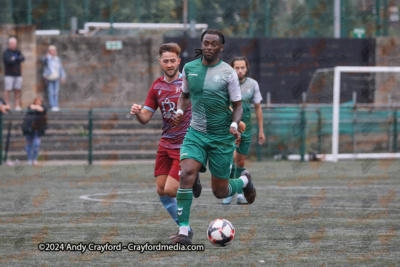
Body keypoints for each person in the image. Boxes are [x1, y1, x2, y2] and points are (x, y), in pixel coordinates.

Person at [170, 29, 256, 245]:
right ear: (202, 44)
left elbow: (237, 106)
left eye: (213, 44)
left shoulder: (228, 73)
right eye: (205, 43)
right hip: (196, 133)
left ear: (220, 47)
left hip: (221, 138)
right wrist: (180, 111)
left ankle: (244, 180)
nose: (209, 47)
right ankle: (183, 232)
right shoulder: (189, 69)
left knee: (220, 191)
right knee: (186, 173)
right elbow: (185, 96)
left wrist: (234, 125)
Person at [130, 43, 196, 240]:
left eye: (172, 60)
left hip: (184, 144)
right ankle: (185, 229)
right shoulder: (157, 86)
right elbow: (145, 118)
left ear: (179, 61)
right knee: (161, 190)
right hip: (165, 144)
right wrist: (136, 112)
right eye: (165, 61)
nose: (169, 64)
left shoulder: (188, 83)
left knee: (170, 188)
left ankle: (194, 175)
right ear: (160, 63)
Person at [223, 56, 265, 205]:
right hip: (231, 128)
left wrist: (261, 130)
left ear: (246, 68)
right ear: (232, 69)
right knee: (232, 158)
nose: (240, 71)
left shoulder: (253, 84)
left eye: (242, 67)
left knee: (241, 161)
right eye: (237, 68)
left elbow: (258, 108)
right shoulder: (227, 83)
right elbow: (224, 104)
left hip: (246, 129)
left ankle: (240, 193)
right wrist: (235, 121)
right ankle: (229, 191)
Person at [22, 96, 47, 166]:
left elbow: (41, 109)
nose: (38, 102)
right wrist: (35, 107)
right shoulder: (30, 106)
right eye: (37, 100)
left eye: (40, 101)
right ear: (34, 101)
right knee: (28, 144)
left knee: (36, 144)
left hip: (38, 130)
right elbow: (31, 107)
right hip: (28, 128)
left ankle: (34, 159)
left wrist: (36, 107)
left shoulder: (44, 107)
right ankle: (29, 159)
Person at [42, 45, 66, 111]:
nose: (53, 52)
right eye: (51, 51)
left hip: (56, 77)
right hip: (49, 77)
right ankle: (52, 106)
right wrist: (47, 57)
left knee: (56, 92)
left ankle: (56, 105)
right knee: (51, 92)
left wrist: (63, 76)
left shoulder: (57, 59)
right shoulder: (47, 58)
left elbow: (60, 68)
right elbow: (43, 61)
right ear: (49, 51)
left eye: (54, 50)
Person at [3, 37, 25, 110]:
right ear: (9, 44)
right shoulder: (6, 52)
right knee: (7, 89)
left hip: (17, 74)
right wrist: (17, 59)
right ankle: (7, 105)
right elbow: (8, 61)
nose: (14, 45)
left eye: (15, 43)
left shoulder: (18, 52)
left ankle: (17, 106)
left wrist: (14, 58)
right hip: (9, 74)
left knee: (17, 90)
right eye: (12, 43)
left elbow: (23, 58)